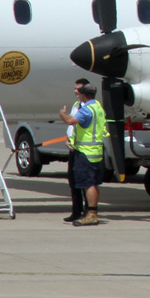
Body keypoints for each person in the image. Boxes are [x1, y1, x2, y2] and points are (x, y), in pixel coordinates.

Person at [59, 78, 107, 226]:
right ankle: (89, 212)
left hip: (86, 152)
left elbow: (70, 121)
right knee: (91, 183)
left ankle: (91, 214)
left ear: (84, 94)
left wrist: (62, 114)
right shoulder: (97, 106)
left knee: (88, 183)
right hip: (95, 151)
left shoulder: (87, 109)